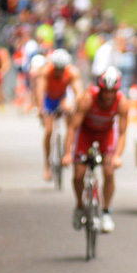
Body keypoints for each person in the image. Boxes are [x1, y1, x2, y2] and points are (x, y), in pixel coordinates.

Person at [61, 66, 128, 234]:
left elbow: (122, 133)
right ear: (100, 88)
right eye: (105, 91)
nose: (107, 96)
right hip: (86, 134)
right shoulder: (87, 99)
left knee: (109, 171)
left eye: (112, 92)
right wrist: (68, 154)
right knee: (78, 175)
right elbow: (73, 128)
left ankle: (106, 212)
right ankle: (79, 206)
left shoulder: (122, 103)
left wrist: (117, 156)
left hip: (105, 135)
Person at [36, 48, 83, 181]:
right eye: (57, 69)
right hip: (49, 99)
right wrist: (41, 109)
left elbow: (78, 92)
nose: (59, 72)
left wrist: (75, 105)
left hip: (62, 97)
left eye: (61, 69)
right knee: (49, 130)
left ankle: (67, 151)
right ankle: (47, 165)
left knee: (70, 120)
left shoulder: (72, 72)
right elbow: (40, 92)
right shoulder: (46, 71)